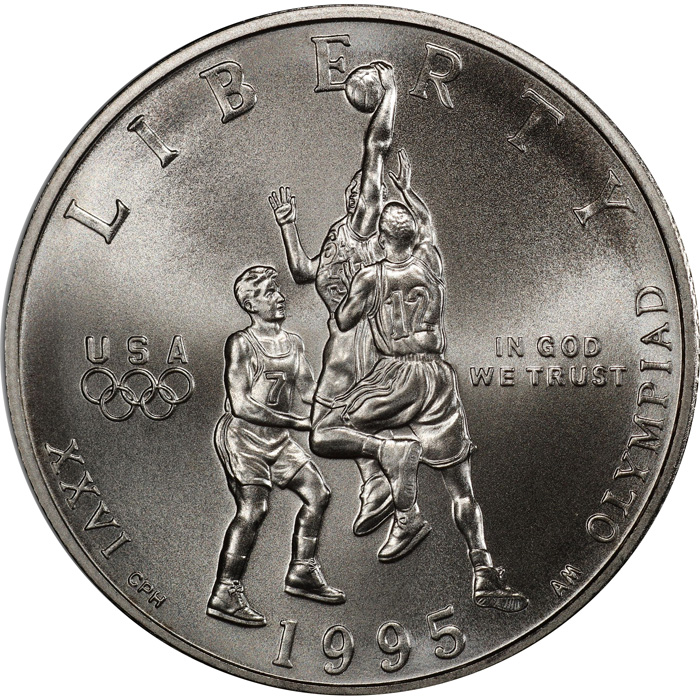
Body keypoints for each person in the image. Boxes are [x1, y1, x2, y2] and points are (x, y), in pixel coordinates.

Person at [312, 204, 529, 612]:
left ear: (381, 240)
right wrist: (405, 195)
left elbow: (342, 320)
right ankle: (483, 570)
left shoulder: (370, 277)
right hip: (439, 377)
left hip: (398, 375)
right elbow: (426, 227)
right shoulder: (431, 263)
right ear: (413, 238)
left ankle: (402, 497)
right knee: (462, 491)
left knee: (323, 433)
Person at [268, 61, 397, 537]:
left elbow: (376, 149)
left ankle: (385, 473)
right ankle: (379, 482)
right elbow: (306, 272)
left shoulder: (364, 229)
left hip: (363, 335)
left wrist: (389, 94)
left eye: (365, 191)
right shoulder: (340, 234)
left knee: (327, 427)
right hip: (340, 335)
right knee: (335, 422)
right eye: (355, 191)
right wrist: (287, 225)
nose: (359, 193)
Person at [208, 266, 345, 628]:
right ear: (250, 304)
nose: (280, 297)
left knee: (318, 494)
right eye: (269, 292)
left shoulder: (293, 342)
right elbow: (241, 405)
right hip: (243, 438)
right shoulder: (241, 343)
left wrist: (343, 404)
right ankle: (225, 591)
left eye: (278, 290)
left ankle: (302, 570)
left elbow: (308, 391)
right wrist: (297, 422)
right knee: (254, 509)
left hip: (277, 439)